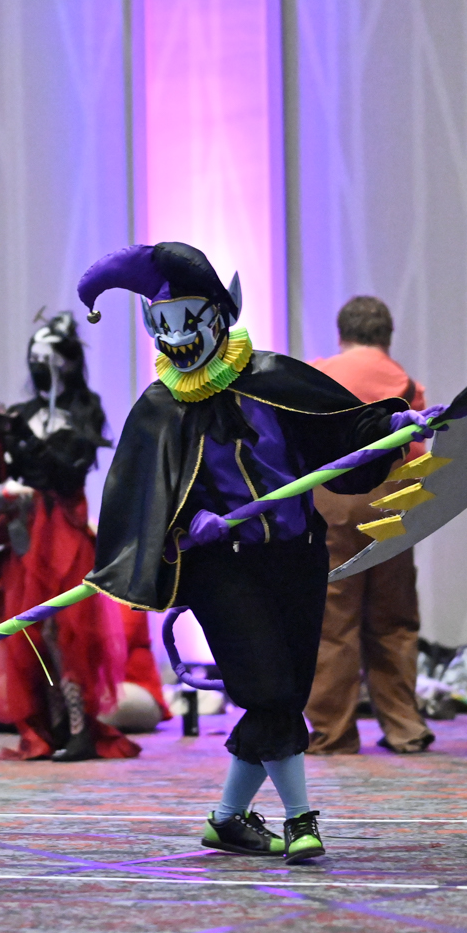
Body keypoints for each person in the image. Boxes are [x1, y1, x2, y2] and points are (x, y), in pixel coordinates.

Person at [77, 243, 418, 863]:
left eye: (188, 319)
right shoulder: (159, 409)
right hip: (222, 570)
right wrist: (190, 521)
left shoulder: (273, 377)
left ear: (219, 314)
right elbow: (143, 504)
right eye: (163, 323)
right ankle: (301, 821)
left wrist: (393, 427)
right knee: (268, 692)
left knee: (283, 697)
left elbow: (340, 431)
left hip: (298, 557)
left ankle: (227, 820)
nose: (178, 337)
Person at [0, 313, 136, 761]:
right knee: (32, 631)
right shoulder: (25, 412)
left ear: (66, 360)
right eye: (34, 356)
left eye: (47, 355)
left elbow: (69, 470)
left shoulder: (86, 408)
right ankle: (54, 726)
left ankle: (80, 727)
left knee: (66, 629)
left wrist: (23, 437)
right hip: (29, 534)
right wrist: (0, 437)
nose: (39, 364)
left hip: (64, 531)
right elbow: (4, 472)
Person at [304, 296, 436, 755]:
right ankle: (405, 728)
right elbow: (418, 457)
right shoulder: (407, 384)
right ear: (387, 336)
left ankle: (333, 733)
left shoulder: (315, 374)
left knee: (331, 624)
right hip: (393, 506)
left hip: (331, 507)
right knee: (393, 619)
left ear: (341, 334)